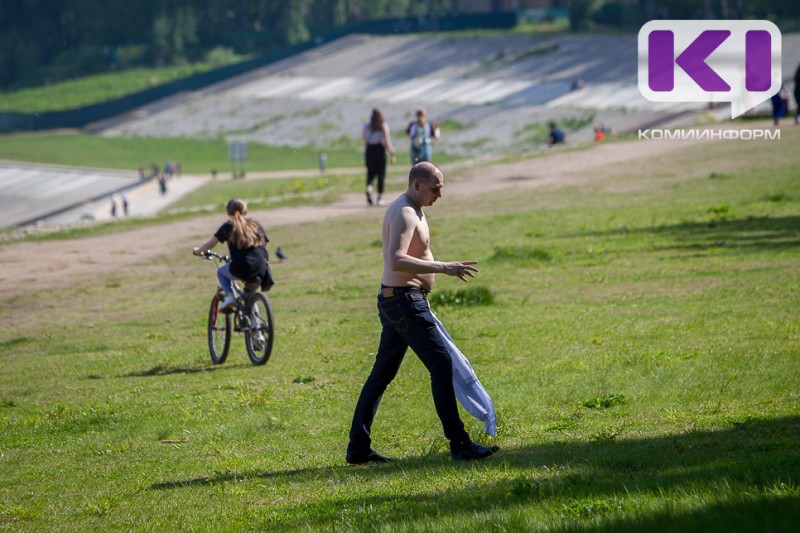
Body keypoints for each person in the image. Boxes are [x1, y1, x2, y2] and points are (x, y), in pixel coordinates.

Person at [346, 162, 499, 464]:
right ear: (417, 184)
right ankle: (460, 443)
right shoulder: (404, 211)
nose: (440, 194)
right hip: (404, 302)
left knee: (382, 374)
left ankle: (358, 447)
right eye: (435, 188)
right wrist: (445, 267)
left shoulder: (413, 209)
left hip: (398, 301)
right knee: (441, 364)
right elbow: (396, 260)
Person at [192, 198, 274, 312]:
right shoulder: (255, 224)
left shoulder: (228, 226)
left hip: (240, 267)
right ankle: (256, 327)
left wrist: (198, 251)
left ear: (228, 212)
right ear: (246, 211)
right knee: (249, 295)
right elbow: (264, 245)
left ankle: (230, 296)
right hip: (260, 268)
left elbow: (210, 244)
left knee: (221, 271)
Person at [363, 108, 396, 206]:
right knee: (381, 175)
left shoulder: (366, 126)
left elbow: (365, 140)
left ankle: (369, 189)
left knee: (370, 173)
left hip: (369, 150)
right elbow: (387, 141)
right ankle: (379, 198)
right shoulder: (383, 126)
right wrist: (391, 154)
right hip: (380, 150)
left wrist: (367, 152)